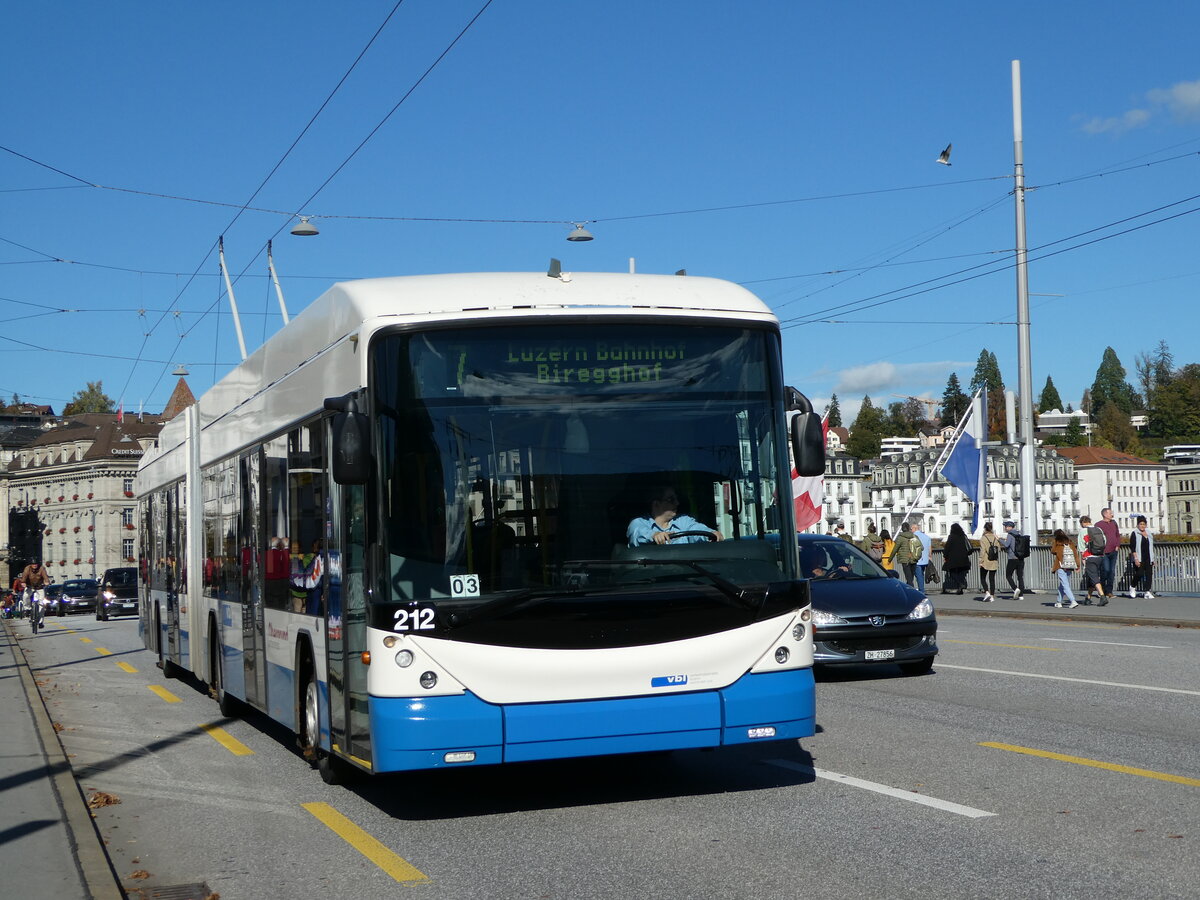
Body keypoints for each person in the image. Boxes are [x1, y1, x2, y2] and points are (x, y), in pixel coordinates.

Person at [627, 486, 721, 546]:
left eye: (676, 499)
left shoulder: (683, 520)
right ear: (656, 504)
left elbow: (696, 528)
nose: (677, 503)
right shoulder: (638, 522)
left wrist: (712, 533)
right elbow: (638, 533)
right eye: (671, 499)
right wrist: (654, 535)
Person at [1079, 515, 1109, 606]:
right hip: (1099, 556)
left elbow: (1081, 546)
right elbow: (1105, 541)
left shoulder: (1083, 531)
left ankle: (1102, 596)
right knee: (1091, 578)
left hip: (1089, 557)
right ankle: (1088, 598)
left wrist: (1083, 558)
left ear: (1083, 523)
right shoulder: (1098, 529)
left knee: (1094, 577)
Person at [1000, 521, 1031, 599]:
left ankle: (1015, 588)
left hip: (1012, 558)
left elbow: (1007, 545)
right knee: (1020, 576)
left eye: (1006, 526)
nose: (1005, 528)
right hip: (1020, 558)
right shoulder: (1018, 534)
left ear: (1010, 527)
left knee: (1008, 575)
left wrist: (999, 539)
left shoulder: (1010, 535)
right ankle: (1021, 595)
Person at [1128, 515, 1156, 599]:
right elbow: (1132, 547)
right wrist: (1136, 558)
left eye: (1144, 524)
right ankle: (1132, 587)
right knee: (1139, 573)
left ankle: (1147, 591)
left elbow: (1151, 546)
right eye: (1140, 524)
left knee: (1149, 574)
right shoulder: (1135, 533)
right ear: (1137, 525)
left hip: (1148, 557)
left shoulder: (1149, 533)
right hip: (1139, 557)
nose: (1142, 526)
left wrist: (1153, 558)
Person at [1051, 528, 1080, 609]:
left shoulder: (1056, 541)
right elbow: (1075, 554)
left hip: (1061, 566)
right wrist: (1078, 565)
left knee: (1065, 584)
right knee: (1062, 585)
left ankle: (1073, 601)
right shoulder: (1070, 542)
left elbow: (1053, 551)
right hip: (1070, 566)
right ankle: (1058, 602)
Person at [1097, 507, 1122, 598]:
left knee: (1112, 572)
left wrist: (1117, 545)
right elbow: (1097, 538)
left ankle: (1109, 592)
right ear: (1105, 514)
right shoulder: (1099, 524)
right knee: (1105, 570)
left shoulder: (1114, 523)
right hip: (1104, 552)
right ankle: (1102, 590)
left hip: (1113, 551)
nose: (1112, 514)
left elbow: (1117, 535)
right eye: (1110, 513)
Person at [20, 560, 52, 631]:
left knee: (42, 604)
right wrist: (23, 582)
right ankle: (27, 609)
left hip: (39, 587)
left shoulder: (41, 568)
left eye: (36, 564)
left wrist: (47, 582)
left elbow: (45, 576)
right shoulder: (27, 568)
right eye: (33, 564)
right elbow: (24, 576)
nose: (35, 565)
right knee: (25, 596)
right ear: (30, 564)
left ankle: (40, 622)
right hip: (29, 586)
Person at [941, 523, 972, 594]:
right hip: (964, 559)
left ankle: (960, 583)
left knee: (952, 573)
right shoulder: (963, 536)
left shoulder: (951, 537)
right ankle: (960, 587)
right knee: (961, 573)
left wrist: (945, 556)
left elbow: (947, 548)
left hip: (953, 560)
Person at [891, 522, 922, 587]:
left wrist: (890, 559)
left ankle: (911, 592)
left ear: (902, 529)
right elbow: (921, 547)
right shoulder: (914, 536)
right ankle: (909, 590)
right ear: (908, 528)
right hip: (914, 558)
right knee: (910, 578)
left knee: (909, 578)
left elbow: (895, 549)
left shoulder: (900, 538)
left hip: (905, 560)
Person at [978, 521, 1001, 602]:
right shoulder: (995, 537)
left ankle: (986, 592)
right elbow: (999, 549)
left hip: (986, 561)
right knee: (992, 579)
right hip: (994, 560)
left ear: (985, 529)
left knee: (983, 578)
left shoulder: (983, 538)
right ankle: (992, 596)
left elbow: (982, 551)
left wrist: (980, 561)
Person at [912, 521, 932, 594]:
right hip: (925, 560)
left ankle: (921, 590)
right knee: (921, 574)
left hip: (917, 559)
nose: (911, 530)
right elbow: (930, 549)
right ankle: (921, 589)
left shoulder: (913, 536)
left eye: (912, 529)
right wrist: (930, 557)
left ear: (914, 528)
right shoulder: (926, 537)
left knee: (918, 576)